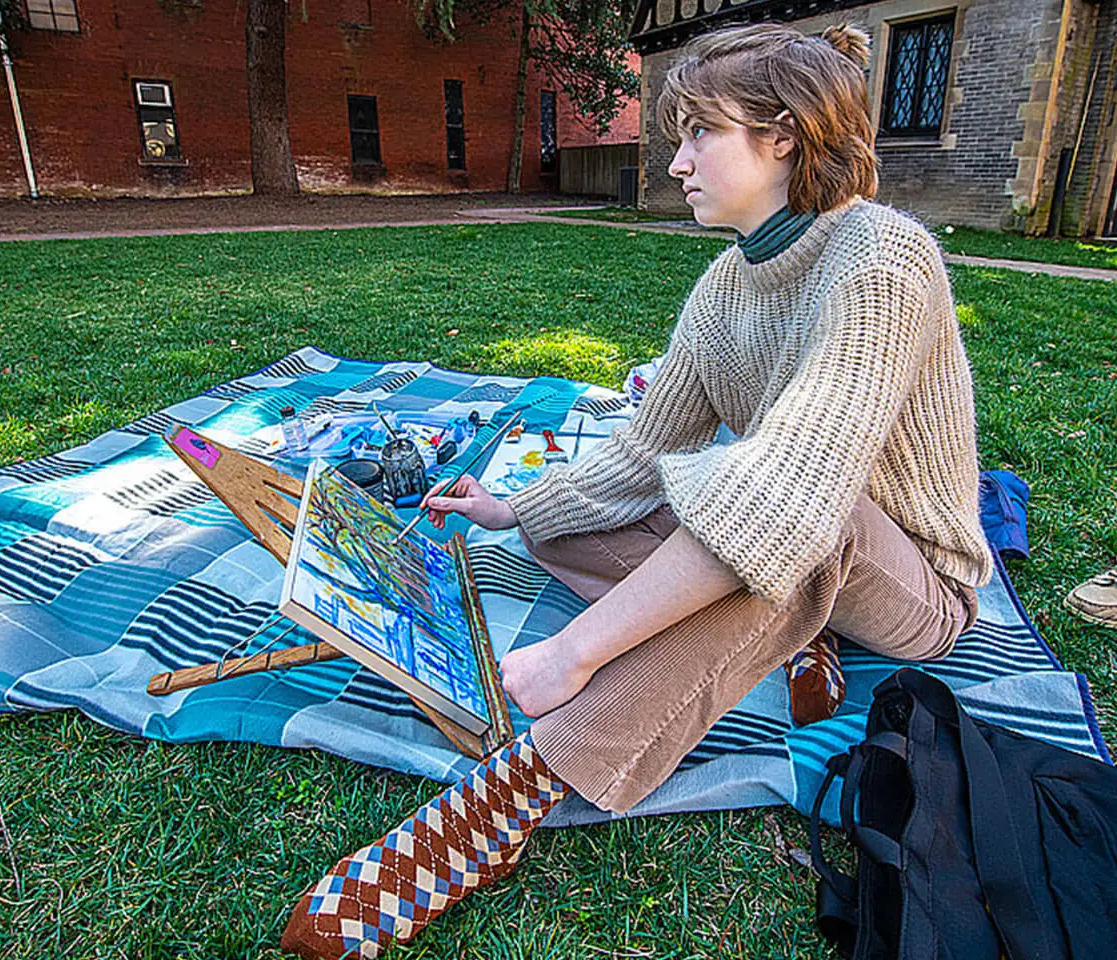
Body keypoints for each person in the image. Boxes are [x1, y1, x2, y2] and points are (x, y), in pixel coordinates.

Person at [281, 21, 992, 959]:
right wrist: (512, 511)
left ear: (784, 137)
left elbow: (795, 489)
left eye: (702, 132)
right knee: (574, 525)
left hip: (910, 578)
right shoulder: (726, 284)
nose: (678, 159)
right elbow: (640, 457)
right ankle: (787, 631)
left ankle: (519, 789)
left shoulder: (882, 261)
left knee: (798, 518)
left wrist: (574, 654)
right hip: (795, 536)